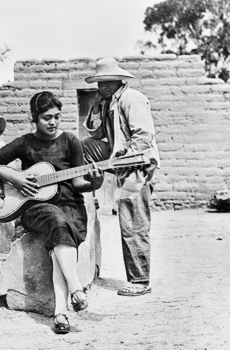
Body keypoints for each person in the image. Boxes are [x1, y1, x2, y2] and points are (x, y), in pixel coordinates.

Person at [0, 91, 103, 334]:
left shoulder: (70, 141)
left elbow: (78, 183)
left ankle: (60, 313)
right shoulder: (25, 142)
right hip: (35, 207)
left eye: (57, 116)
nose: (53, 122)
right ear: (34, 118)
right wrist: (15, 178)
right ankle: (75, 289)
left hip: (70, 205)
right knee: (57, 223)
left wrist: (95, 184)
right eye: (47, 117)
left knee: (62, 232)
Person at [81, 58, 160, 297]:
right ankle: (83, 191)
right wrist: (96, 107)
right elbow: (95, 133)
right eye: (100, 83)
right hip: (120, 160)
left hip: (137, 165)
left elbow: (143, 135)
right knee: (83, 146)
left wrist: (127, 158)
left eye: (108, 82)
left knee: (132, 221)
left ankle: (140, 280)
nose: (103, 86)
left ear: (119, 79)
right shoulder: (107, 102)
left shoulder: (130, 98)